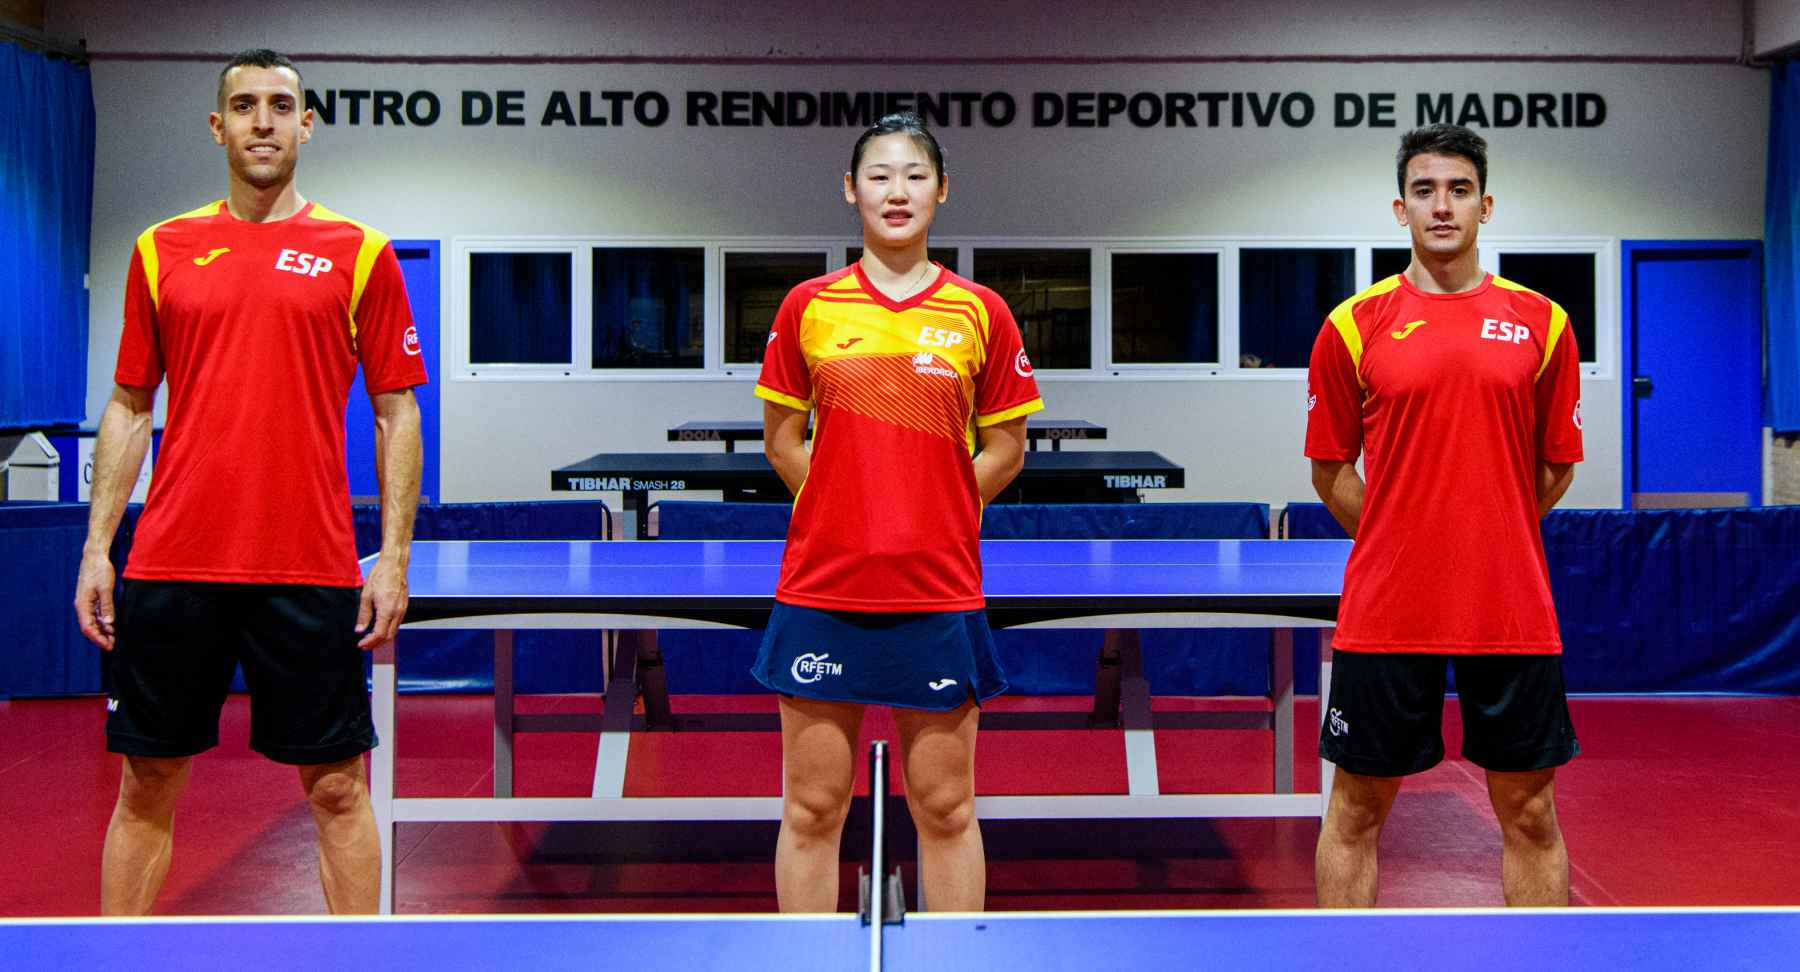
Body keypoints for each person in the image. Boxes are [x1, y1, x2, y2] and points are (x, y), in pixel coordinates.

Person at [71, 49, 426, 915]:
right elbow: (127, 406)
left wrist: (393, 561)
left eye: (280, 105)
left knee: (339, 789)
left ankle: (359, 962)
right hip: (173, 564)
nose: (262, 120)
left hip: (306, 567)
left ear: (306, 124)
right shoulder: (161, 249)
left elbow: (397, 414)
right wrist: (95, 550)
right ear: (217, 126)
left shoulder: (361, 253)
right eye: (244, 105)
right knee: (147, 781)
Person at [753, 112, 1043, 912]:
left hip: (937, 589)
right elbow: (782, 441)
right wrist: (851, 509)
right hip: (823, 587)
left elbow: (1006, 449)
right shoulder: (808, 306)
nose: (896, 191)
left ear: (941, 191)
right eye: (878, 175)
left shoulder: (980, 311)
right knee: (812, 808)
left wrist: (931, 510)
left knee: (946, 808)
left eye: (915, 175)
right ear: (851, 192)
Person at [1305, 124, 1584, 907]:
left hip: (1511, 608)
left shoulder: (1545, 323)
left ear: (1485, 205)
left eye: (1459, 190)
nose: (1442, 206)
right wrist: (1408, 541)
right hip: (1388, 610)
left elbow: (1557, 463)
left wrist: (1486, 535)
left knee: (1530, 811)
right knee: (1356, 809)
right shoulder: (1352, 325)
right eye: (1425, 190)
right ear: (1401, 209)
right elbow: (1330, 468)